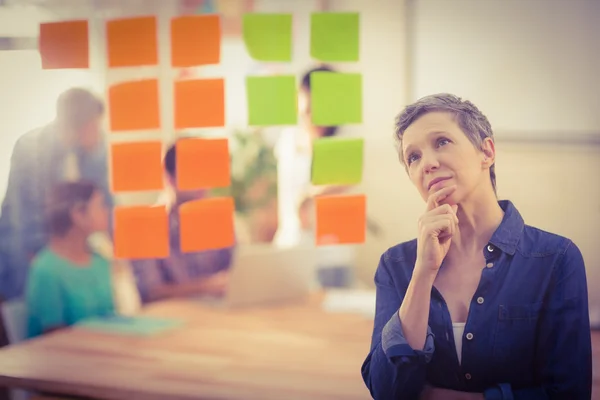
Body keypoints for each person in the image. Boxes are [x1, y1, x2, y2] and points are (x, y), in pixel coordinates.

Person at [361, 94, 592, 399]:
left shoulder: (556, 259)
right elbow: (385, 390)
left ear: (487, 151)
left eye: (441, 141)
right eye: (413, 157)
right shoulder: (397, 265)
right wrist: (423, 272)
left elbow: (569, 393)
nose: (427, 163)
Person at [0, 87, 111, 300]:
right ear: (82, 125)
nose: (99, 132)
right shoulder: (30, 148)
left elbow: (101, 198)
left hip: (64, 255)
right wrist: (52, 265)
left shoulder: (89, 150)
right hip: (24, 256)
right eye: (95, 125)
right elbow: (24, 219)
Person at [274, 65, 357, 288]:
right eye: (310, 107)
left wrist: (308, 196)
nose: (315, 117)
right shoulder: (288, 138)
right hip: (290, 246)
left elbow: (347, 179)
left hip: (333, 255)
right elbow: (285, 189)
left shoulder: (345, 139)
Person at [131, 141, 235, 303]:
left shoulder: (218, 219)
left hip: (218, 313)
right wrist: (206, 286)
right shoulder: (145, 228)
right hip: (172, 318)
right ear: (170, 179)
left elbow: (237, 271)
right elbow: (151, 292)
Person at [25, 181, 114, 338]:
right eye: (100, 205)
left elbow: (111, 320)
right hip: (64, 357)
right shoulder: (46, 270)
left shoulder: (100, 261)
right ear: (78, 215)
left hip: (105, 352)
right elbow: (53, 335)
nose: (106, 211)